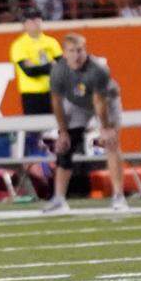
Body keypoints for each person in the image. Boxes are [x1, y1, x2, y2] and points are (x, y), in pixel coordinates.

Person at [45, 33, 128, 213]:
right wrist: (63, 131)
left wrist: (105, 129)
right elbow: (56, 102)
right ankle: (59, 198)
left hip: (107, 101)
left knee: (111, 143)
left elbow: (99, 102)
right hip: (76, 103)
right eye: (72, 51)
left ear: (86, 50)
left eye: (80, 50)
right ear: (64, 53)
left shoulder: (98, 69)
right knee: (65, 145)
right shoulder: (58, 70)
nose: (76, 55)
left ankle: (119, 196)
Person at [9, 8, 62, 116]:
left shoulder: (51, 42)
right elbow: (29, 71)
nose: (35, 22)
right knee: (34, 129)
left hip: (51, 92)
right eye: (31, 20)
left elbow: (62, 67)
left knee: (56, 127)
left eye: (38, 18)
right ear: (24, 24)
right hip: (31, 94)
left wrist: (37, 66)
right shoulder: (19, 45)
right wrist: (50, 66)